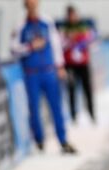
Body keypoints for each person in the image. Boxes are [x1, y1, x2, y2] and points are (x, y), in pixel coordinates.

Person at [11, 0, 76, 154]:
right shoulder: (20, 25)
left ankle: (63, 139)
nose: (32, 4)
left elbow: (55, 45)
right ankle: (39, 139)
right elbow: (13, 48)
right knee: (34, 107)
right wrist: (30, 47)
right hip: (31, 73)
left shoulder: (47, 22)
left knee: (56, 106)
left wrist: (60, 66)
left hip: (48, 71)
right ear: (25, 4)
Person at [60, 5, 97, 124]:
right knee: (71, 90)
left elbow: (92, 39)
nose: (72, 17)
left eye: (74, 15)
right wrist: (69, 40)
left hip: (83, 64)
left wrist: (84, 41)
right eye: (70, 15)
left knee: (87, 90)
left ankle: (92, 114)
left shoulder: (84, 26)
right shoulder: (64, 28)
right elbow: (60, 44)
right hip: (70, 65)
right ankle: (73, 116)